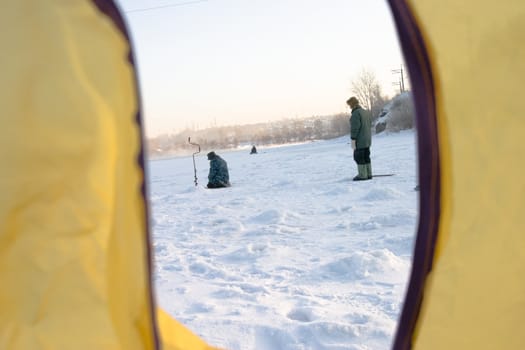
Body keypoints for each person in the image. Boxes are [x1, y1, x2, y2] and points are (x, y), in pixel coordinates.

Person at [347, 96, 372, 181]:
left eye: (349, 105)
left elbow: (355, 128)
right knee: (366, 156)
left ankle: (362, 175)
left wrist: (353, 138)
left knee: (358, 157)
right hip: (367, 139)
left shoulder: (355, 114)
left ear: (351, 104)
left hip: (360, 140)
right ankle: (369, 174)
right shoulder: (365, 112)